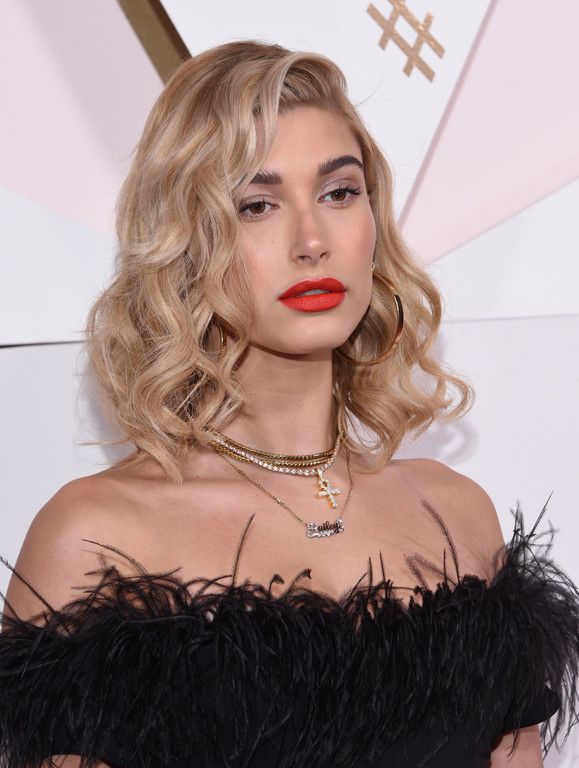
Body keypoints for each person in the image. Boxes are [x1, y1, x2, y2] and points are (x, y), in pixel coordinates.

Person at [0, 40, 577, 768]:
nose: (311, 241)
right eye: (257, 205)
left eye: (338, 192)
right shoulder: (96, 541)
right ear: (187, 244)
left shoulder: (458, 517)